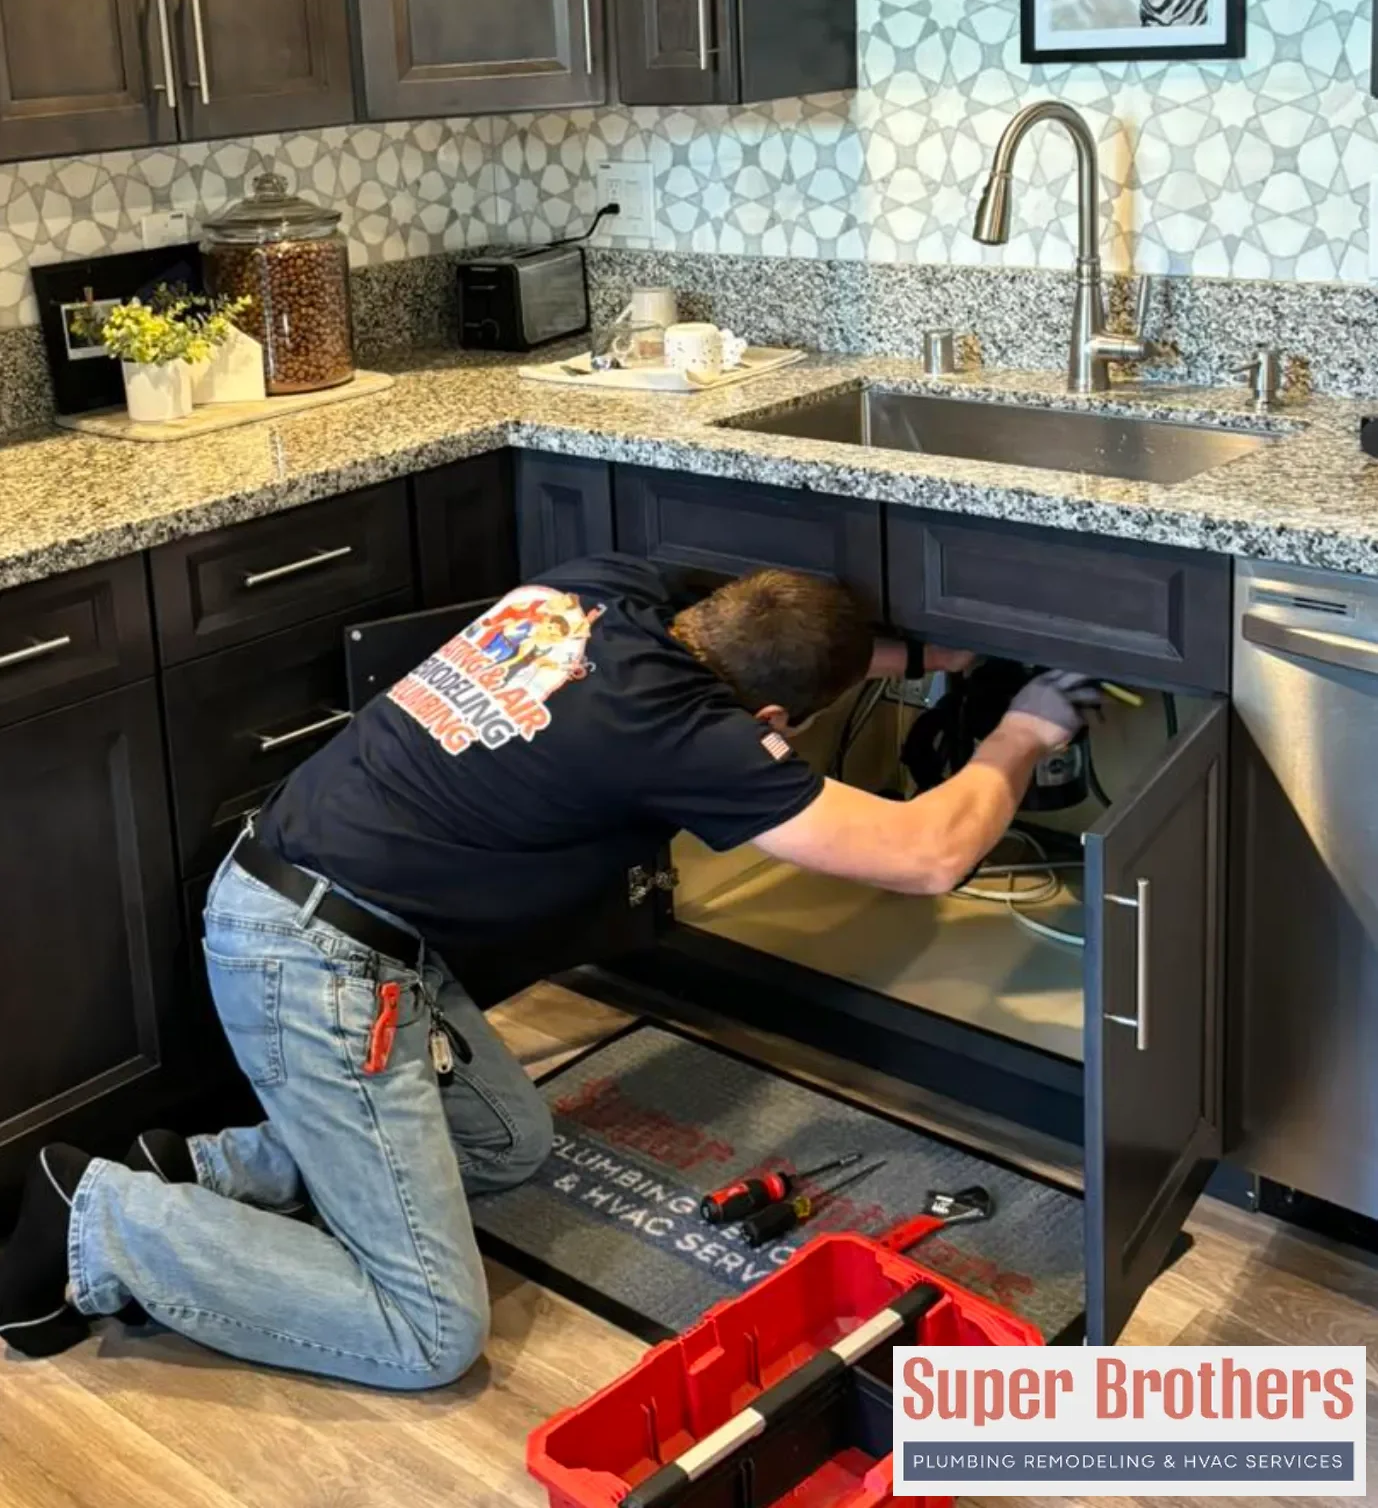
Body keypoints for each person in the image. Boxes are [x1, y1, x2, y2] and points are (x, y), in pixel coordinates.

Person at [0, 555, 1099, 1383]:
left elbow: (741, 623)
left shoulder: (596, 587)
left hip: (324, 906)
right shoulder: (683, 737)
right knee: (428, 1334)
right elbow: (924, 854)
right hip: (316, 965)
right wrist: (1025, 729)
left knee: (506, 1143)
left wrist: (929, 660)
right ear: (770, 721)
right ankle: (93, 1217)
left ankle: (204, 1169)